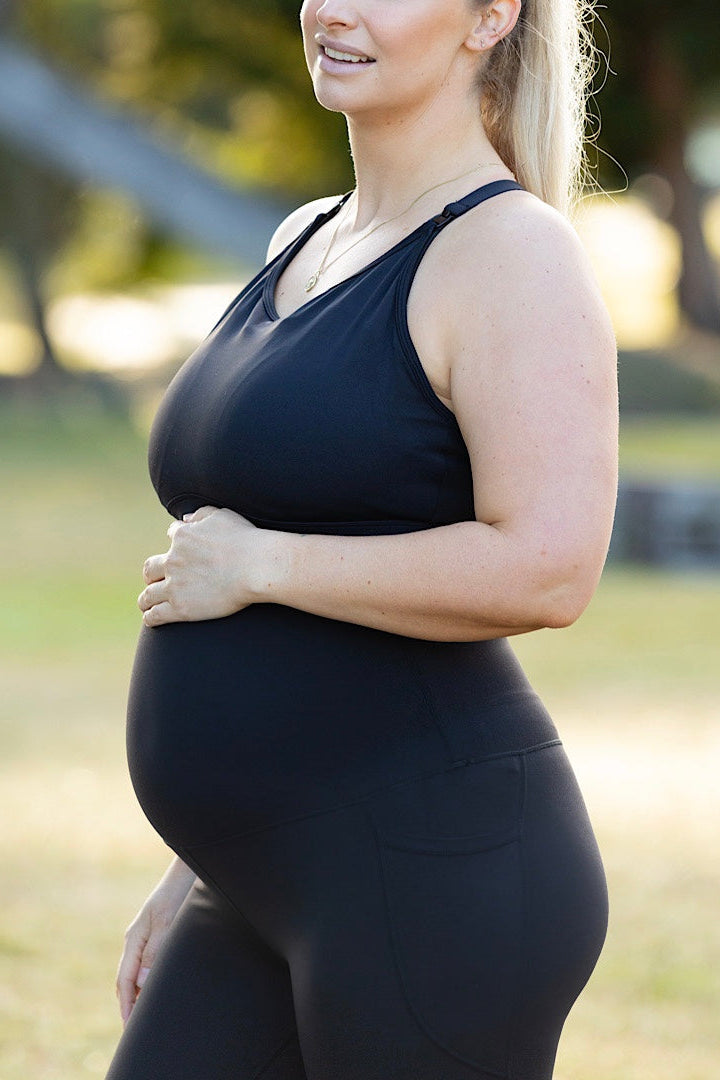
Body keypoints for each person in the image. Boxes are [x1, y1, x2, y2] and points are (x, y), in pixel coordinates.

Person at [106, 0, 618, 1077]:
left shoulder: (510, 252)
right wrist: (196, 868)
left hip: (435, 874)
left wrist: (262, 566)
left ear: (490, 18)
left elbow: (551, 563)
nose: (335, 8)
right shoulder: (307, 235)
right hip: (255, 882)